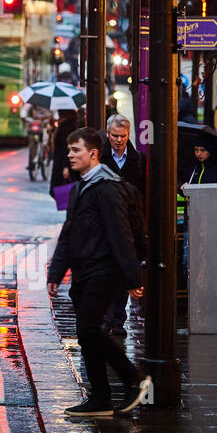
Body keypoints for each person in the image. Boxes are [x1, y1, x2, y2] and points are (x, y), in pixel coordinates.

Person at [47, 128, 151, 416]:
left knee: (88, 329)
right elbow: (69, 233)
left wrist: (132, 278)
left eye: (76, 150)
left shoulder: (106, 188)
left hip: (104, 270)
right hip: (85, 271)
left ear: (93, 154)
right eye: (69, 149)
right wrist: (56, 273)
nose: (70, 155)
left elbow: (121, 235)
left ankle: (132, 377)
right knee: (86, 335)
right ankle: (100, 398)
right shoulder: (81, 187)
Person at [99, 114, 145, 340]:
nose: (118, 140)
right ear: (108, 134)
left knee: (124, 274)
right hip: (104, 226)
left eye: (123, 136)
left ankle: (118, 320)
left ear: (129, 135)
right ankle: (107, 318)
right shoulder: (99, 158)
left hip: (127, 226)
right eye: (115, 136)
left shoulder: (137, 160)